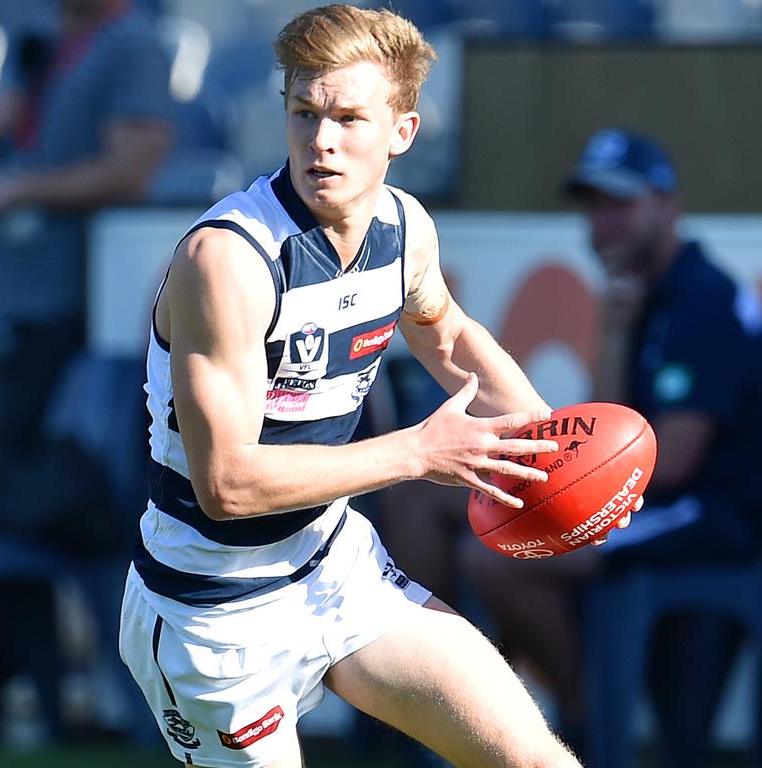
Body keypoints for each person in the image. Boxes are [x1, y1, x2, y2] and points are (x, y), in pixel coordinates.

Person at [117, 6, 616, 767]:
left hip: (332, 566)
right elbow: (228, 484)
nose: (322, 141)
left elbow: (447, 335)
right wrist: (417, 453)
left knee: (537, 761)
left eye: (350, 118)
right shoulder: (229, 261)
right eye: (305, 112)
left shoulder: (403, 227)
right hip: (210, 612)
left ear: (403, 133)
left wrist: (563, 455)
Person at [465, 127, 762, 766]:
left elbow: (671, 461)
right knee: (459, 510)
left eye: (618, 203)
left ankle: (589, 727)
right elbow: (610, 425)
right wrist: (613, 332)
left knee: (496, 556)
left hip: (707, 513)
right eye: (591, 206)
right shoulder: (640, 295)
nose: (601, 222)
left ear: (666, 204)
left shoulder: (704, 298)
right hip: (654, 497)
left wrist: (563, 488)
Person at [0, 0, 173, 740]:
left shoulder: (132, 47)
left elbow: (132, 170)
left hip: (58, 312)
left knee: (23, 505)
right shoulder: (44, 47)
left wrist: (22, 189)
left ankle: (22, 700)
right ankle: (14, 701)